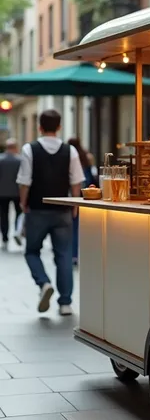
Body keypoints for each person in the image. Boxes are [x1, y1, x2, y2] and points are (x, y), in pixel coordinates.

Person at [17, 110, 84, 316]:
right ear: (59, 127)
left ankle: (44, 283)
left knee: (31, 251)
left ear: (39, 127)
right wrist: (74, 206)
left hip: (37, 209)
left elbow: (24, 181)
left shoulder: (30, 149)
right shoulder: (70, 150)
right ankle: (65, 303)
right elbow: (76, 182)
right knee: (63, 255)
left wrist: (23, 203)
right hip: (62, 210)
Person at [68, 137, 97, 266]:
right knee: (77, 227)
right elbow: (92, 176)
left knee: (71, 227)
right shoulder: (87, 157)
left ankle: (72, 253)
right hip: (86, 195)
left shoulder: (68, 156)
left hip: (71, 195)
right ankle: (77, 254)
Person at [0, 138, 22, 249]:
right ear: (15, 147)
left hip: (2, 193)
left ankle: (4, 236)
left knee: (3, 215)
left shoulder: (1, 159)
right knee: (19, 213)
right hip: (17, 192)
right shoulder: (19, 160)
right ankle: (17, 232)